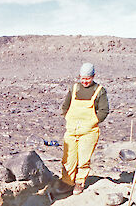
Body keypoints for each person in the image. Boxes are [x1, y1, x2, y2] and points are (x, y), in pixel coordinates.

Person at [57, 62, 109, 195]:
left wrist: (93, 122)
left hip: (89, 132)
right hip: (72, 131)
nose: (85, 81)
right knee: (68, 159)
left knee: (83, 160)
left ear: (93, 76)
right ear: (79, 76)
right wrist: (68, 118)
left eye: (88, 78)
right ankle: (67, 182)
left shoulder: (99, 90)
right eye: (83, 78)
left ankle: (79, 182)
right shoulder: (74, 88)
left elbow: (104, 110)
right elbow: (65, 106)